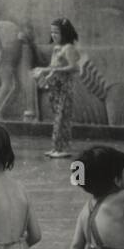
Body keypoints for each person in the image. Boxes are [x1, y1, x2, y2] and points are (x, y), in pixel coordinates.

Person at [33, 17, 82, 159]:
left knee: (62, 117)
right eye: (52, 32)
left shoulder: (69, 48)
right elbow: (53, 67)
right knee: (56, 117)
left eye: (56, 32)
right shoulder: (56, 48)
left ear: (65, 33)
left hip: (65, 87)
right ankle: (56, 147)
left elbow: (74, 67)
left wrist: (47, 70)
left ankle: (62, 147)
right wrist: (45, 74)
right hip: (55, 86)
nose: (53, 35)